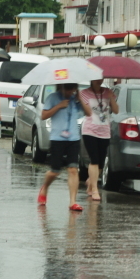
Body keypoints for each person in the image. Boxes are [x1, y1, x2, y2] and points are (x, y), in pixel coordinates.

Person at [37, 82, 92, 212]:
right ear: (62, 87)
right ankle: (45, 187)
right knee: (55, 171)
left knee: (73, 169)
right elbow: (44, 115)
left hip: (73, 138)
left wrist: (80, 99)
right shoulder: (53, 97)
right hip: (57, 138)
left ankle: (73, 202)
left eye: (72, 89)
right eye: (67, 88)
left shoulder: (75, 100)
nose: (69, 91)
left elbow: (89, 113)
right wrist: (58, 106)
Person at [79, 77, 119, 201]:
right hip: (90, 130)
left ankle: (91, 181)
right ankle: (95, 189)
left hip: (104, 131)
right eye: (96, 78)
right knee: (94, 159)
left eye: (101, 78)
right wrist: (79, 100)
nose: (99, 80)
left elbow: (116, 111)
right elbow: (87, 113)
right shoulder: (84, 93)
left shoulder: (108, 92)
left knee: (101, 162)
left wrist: (112, 98)